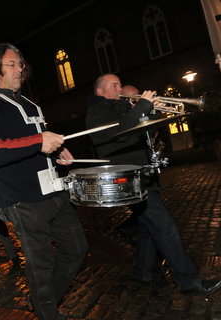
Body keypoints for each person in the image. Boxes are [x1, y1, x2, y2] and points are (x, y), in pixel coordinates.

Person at [0, 43, 91, 320]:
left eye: (21, 63)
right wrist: (39, 142)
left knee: (76, 248)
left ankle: (44, 303)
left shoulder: (29, 104)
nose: (20, 68)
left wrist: (54, 150)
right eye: (12, 64)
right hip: (22, 202)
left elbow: (34, 145)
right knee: (41, 269)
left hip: (53, 192)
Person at [85, 74, 221, 295]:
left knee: (149, 227)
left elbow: (143, 132)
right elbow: (120, 133)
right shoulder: (98, 113)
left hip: (143, 175)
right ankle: (189, 281)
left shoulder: (121, 108)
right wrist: (141, 108)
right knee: (165, 226)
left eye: (120, 83)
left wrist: (153, 111)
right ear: (100, 91)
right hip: (128, 180)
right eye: (115, 85)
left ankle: (142, 273)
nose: (120, 88)